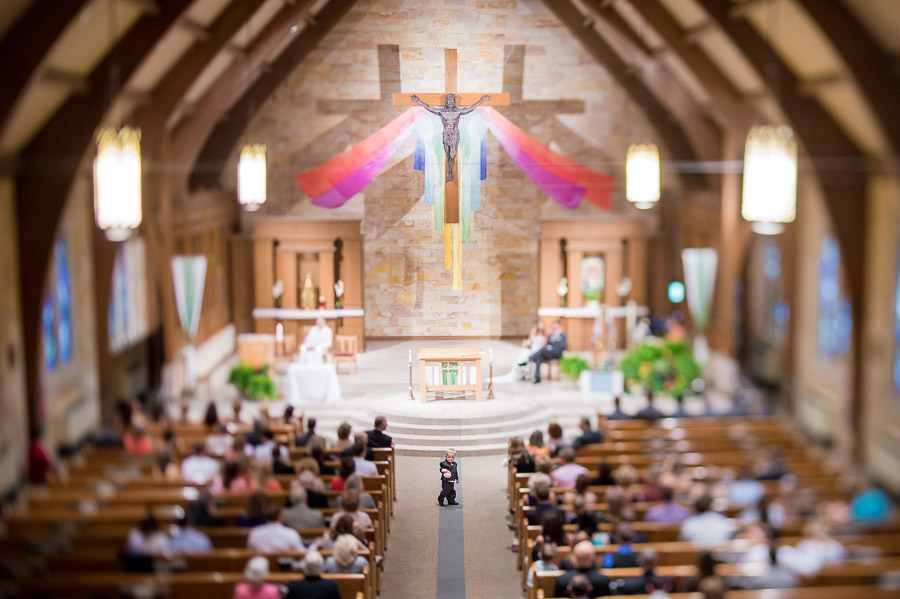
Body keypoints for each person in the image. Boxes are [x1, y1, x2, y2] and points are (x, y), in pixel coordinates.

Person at [410, 93, 491, 182]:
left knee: (452, 155)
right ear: (446, 101)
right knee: (448, 155)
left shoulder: (458, 112)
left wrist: (482, 100)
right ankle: (450, 172)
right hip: (446, 135)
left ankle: (451, 173)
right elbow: (429, 108)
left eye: (452, 100)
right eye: (449, 100)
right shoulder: (441, 112)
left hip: (454, 135)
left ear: (454, 101)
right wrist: (418, 101)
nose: (451, 102)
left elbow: (471, 109)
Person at [530, 320, 567, 384]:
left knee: (543, 349)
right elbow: (547, 344)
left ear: (559, 326)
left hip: (557, 354)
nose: (554, 327)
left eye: (556, 325)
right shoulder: (550, 336)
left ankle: (530, 358)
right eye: (553, 325)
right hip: (549, 353)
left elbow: (564, 347)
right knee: (539, 358)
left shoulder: (563, 336)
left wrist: (553, 348)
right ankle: (537, 377)